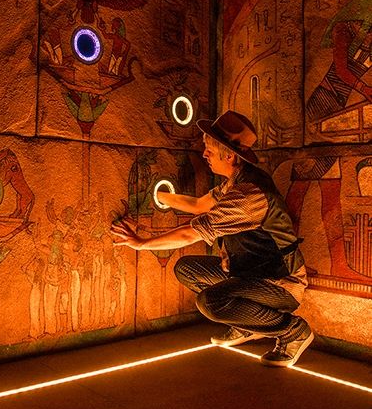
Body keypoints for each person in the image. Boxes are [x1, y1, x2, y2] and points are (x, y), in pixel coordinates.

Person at [111, 110, 313, 367]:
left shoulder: (247, 195)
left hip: (280, 284)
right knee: (187, 269)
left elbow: (190, 233)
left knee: (210, 302)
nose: (204, 154)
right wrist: (159, 196)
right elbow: (199, 205)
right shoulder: (235, 182)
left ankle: (292, 331)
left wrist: (140, 243)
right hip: (248, 274)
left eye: (209, 150)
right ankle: (246, 325)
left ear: (229, 155)